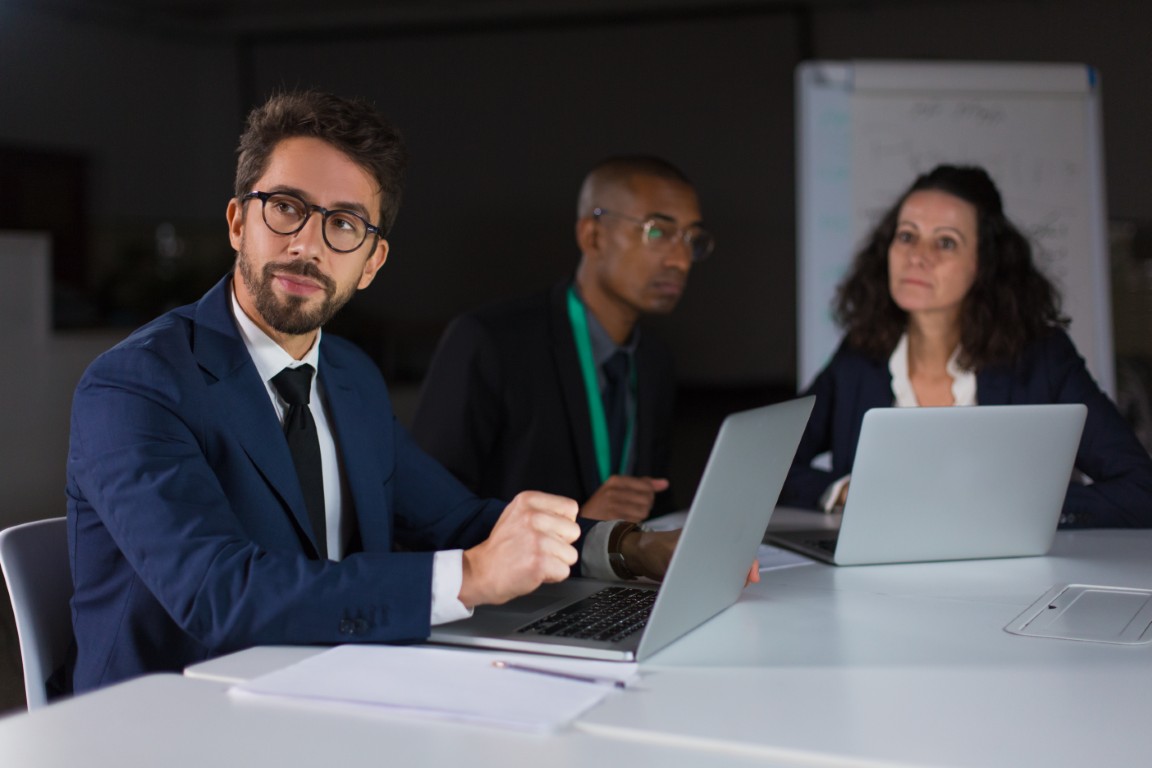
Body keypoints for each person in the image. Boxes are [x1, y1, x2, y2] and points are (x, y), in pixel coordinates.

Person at [64, 91, 684, 695]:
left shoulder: (349, 375)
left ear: (371, 262)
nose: (306, 244)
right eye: (285, 207)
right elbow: (218, 594)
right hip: (175, 722)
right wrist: (468, 578)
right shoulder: (135, 386)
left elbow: (455, 519)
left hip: (336, 687)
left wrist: (629, 549)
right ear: (237, 222)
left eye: (343, 224)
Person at [780, 164, 1152, 528]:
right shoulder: (858, 357)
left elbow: (1139, 490)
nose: (918, 256)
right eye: (907, 235)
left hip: (1015, 583)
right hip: (877, 580)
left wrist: (1016, 506)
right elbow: (770, 467)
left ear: (984, 263)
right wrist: (842, 489)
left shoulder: (1043, 358)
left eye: (945, 242)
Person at [412, 156, 712, 524]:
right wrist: (573, 528)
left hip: (618, 575)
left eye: (692, 239)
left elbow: (653, 500)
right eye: (657, 232)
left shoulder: (654, 360)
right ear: (592, 235)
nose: (681, 261)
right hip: (522, 581)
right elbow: (424, 514)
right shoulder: (490, 342)